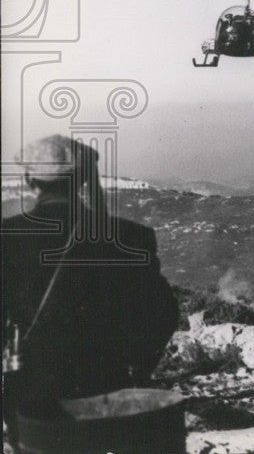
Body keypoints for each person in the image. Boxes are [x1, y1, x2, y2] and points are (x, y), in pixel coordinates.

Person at [1, 135, 179, 441]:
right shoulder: (131, 236)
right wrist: (136, 366)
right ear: (83, 180)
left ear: (30, 179)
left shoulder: (7, 238)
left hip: (32, 406)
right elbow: (164, 314)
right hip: (108, 398)